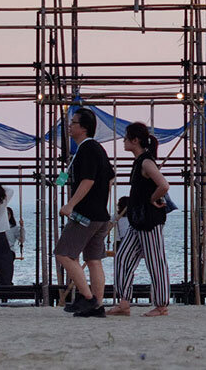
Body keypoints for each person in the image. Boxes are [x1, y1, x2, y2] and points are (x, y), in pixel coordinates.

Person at [55, 107, 115, 318]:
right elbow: (109, 179)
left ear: (83, 127)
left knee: (63, 253)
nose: (69, 127)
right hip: (100, 214)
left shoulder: (87, 149)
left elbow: (88, 180)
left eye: (73, 123)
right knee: (93, 259)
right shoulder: (96, 149)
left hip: (86, 215)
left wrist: (71, 204)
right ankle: (97, 305)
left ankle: (88, 298)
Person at [108, 123, 171, 317]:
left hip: (149, 221)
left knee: (155, 261)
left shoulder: (146, 162)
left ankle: (161, 305)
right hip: (138, 221)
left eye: (126, 138)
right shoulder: (139, 162)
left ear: (135, 140)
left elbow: (163, 185)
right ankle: (124, 301)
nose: (124, 141)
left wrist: (152, 199)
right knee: (122, 258)